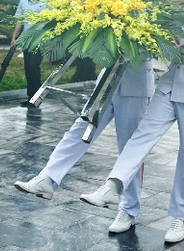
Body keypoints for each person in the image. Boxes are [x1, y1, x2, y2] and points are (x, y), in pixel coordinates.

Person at [79, 0, 184, 244]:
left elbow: (177, 38)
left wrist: (138, 31)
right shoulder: (180, 6)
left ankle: (180, 217)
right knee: (141, 135)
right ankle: (113, 186)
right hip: (171, 81)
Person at [15, 61, 154, 233]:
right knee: (79, 130)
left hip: (135, 85)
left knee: (130, 148)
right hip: (107, 81)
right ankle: (48, 178)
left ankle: (128, 209)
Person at [11, 0, 50, 106]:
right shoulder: (23, 1)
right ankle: (31, 97)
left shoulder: (46, 1)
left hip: (40, 40)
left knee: (34, 66)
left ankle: (37, 96)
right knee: (28, 68)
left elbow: (52, 20)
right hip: (27, 40)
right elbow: (19, 20)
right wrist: (14, 37)